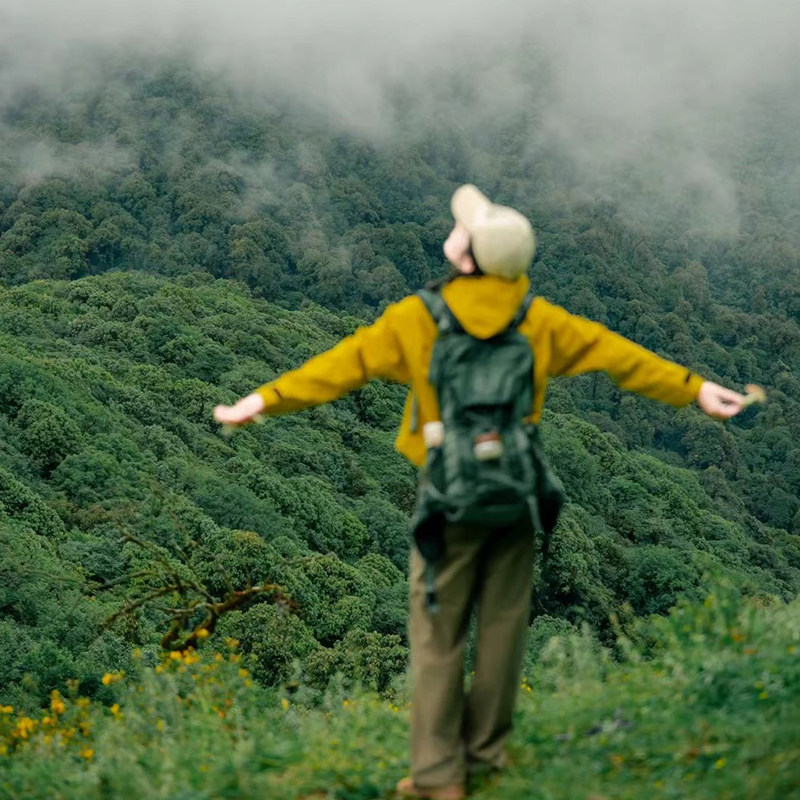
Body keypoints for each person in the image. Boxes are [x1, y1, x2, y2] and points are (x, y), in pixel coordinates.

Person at [213, 185, 745, 800]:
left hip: (448, 496)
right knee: (503, 629)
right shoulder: (539, 322)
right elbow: (616, 355)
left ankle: (439, 776)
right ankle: (488, 757)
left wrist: (262, 401)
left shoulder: (419, 320)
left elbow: (343, 364)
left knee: (439, 636)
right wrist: (696, 389)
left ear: (466, 258)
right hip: (517, 493)